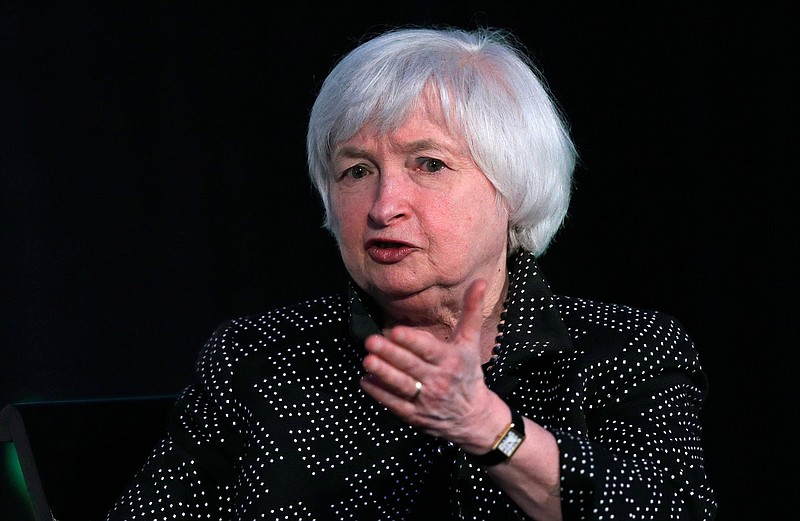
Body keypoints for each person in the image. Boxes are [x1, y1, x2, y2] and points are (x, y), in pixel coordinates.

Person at [106, 25, 717, 520]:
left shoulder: (624, 350)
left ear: (512, 189)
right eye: (356, 170)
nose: (383, 204)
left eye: (428, 164)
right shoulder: (260, 357)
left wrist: (487, 426)